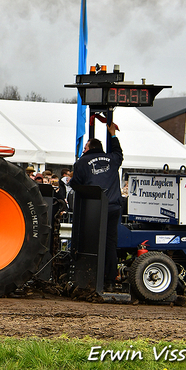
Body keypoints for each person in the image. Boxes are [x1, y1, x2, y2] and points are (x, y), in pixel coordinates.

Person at [70, 123, 123, 291]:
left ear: (90, 148)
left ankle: (90, 276)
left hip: (94, 209)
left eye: (85, 147)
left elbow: (75, 184)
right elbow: (119, 153)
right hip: (113, 206)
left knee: (90, 243)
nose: (84, 150)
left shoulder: (82, 162)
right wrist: (113, 135)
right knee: (110, 243)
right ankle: (110, 279)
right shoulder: (113, 159)